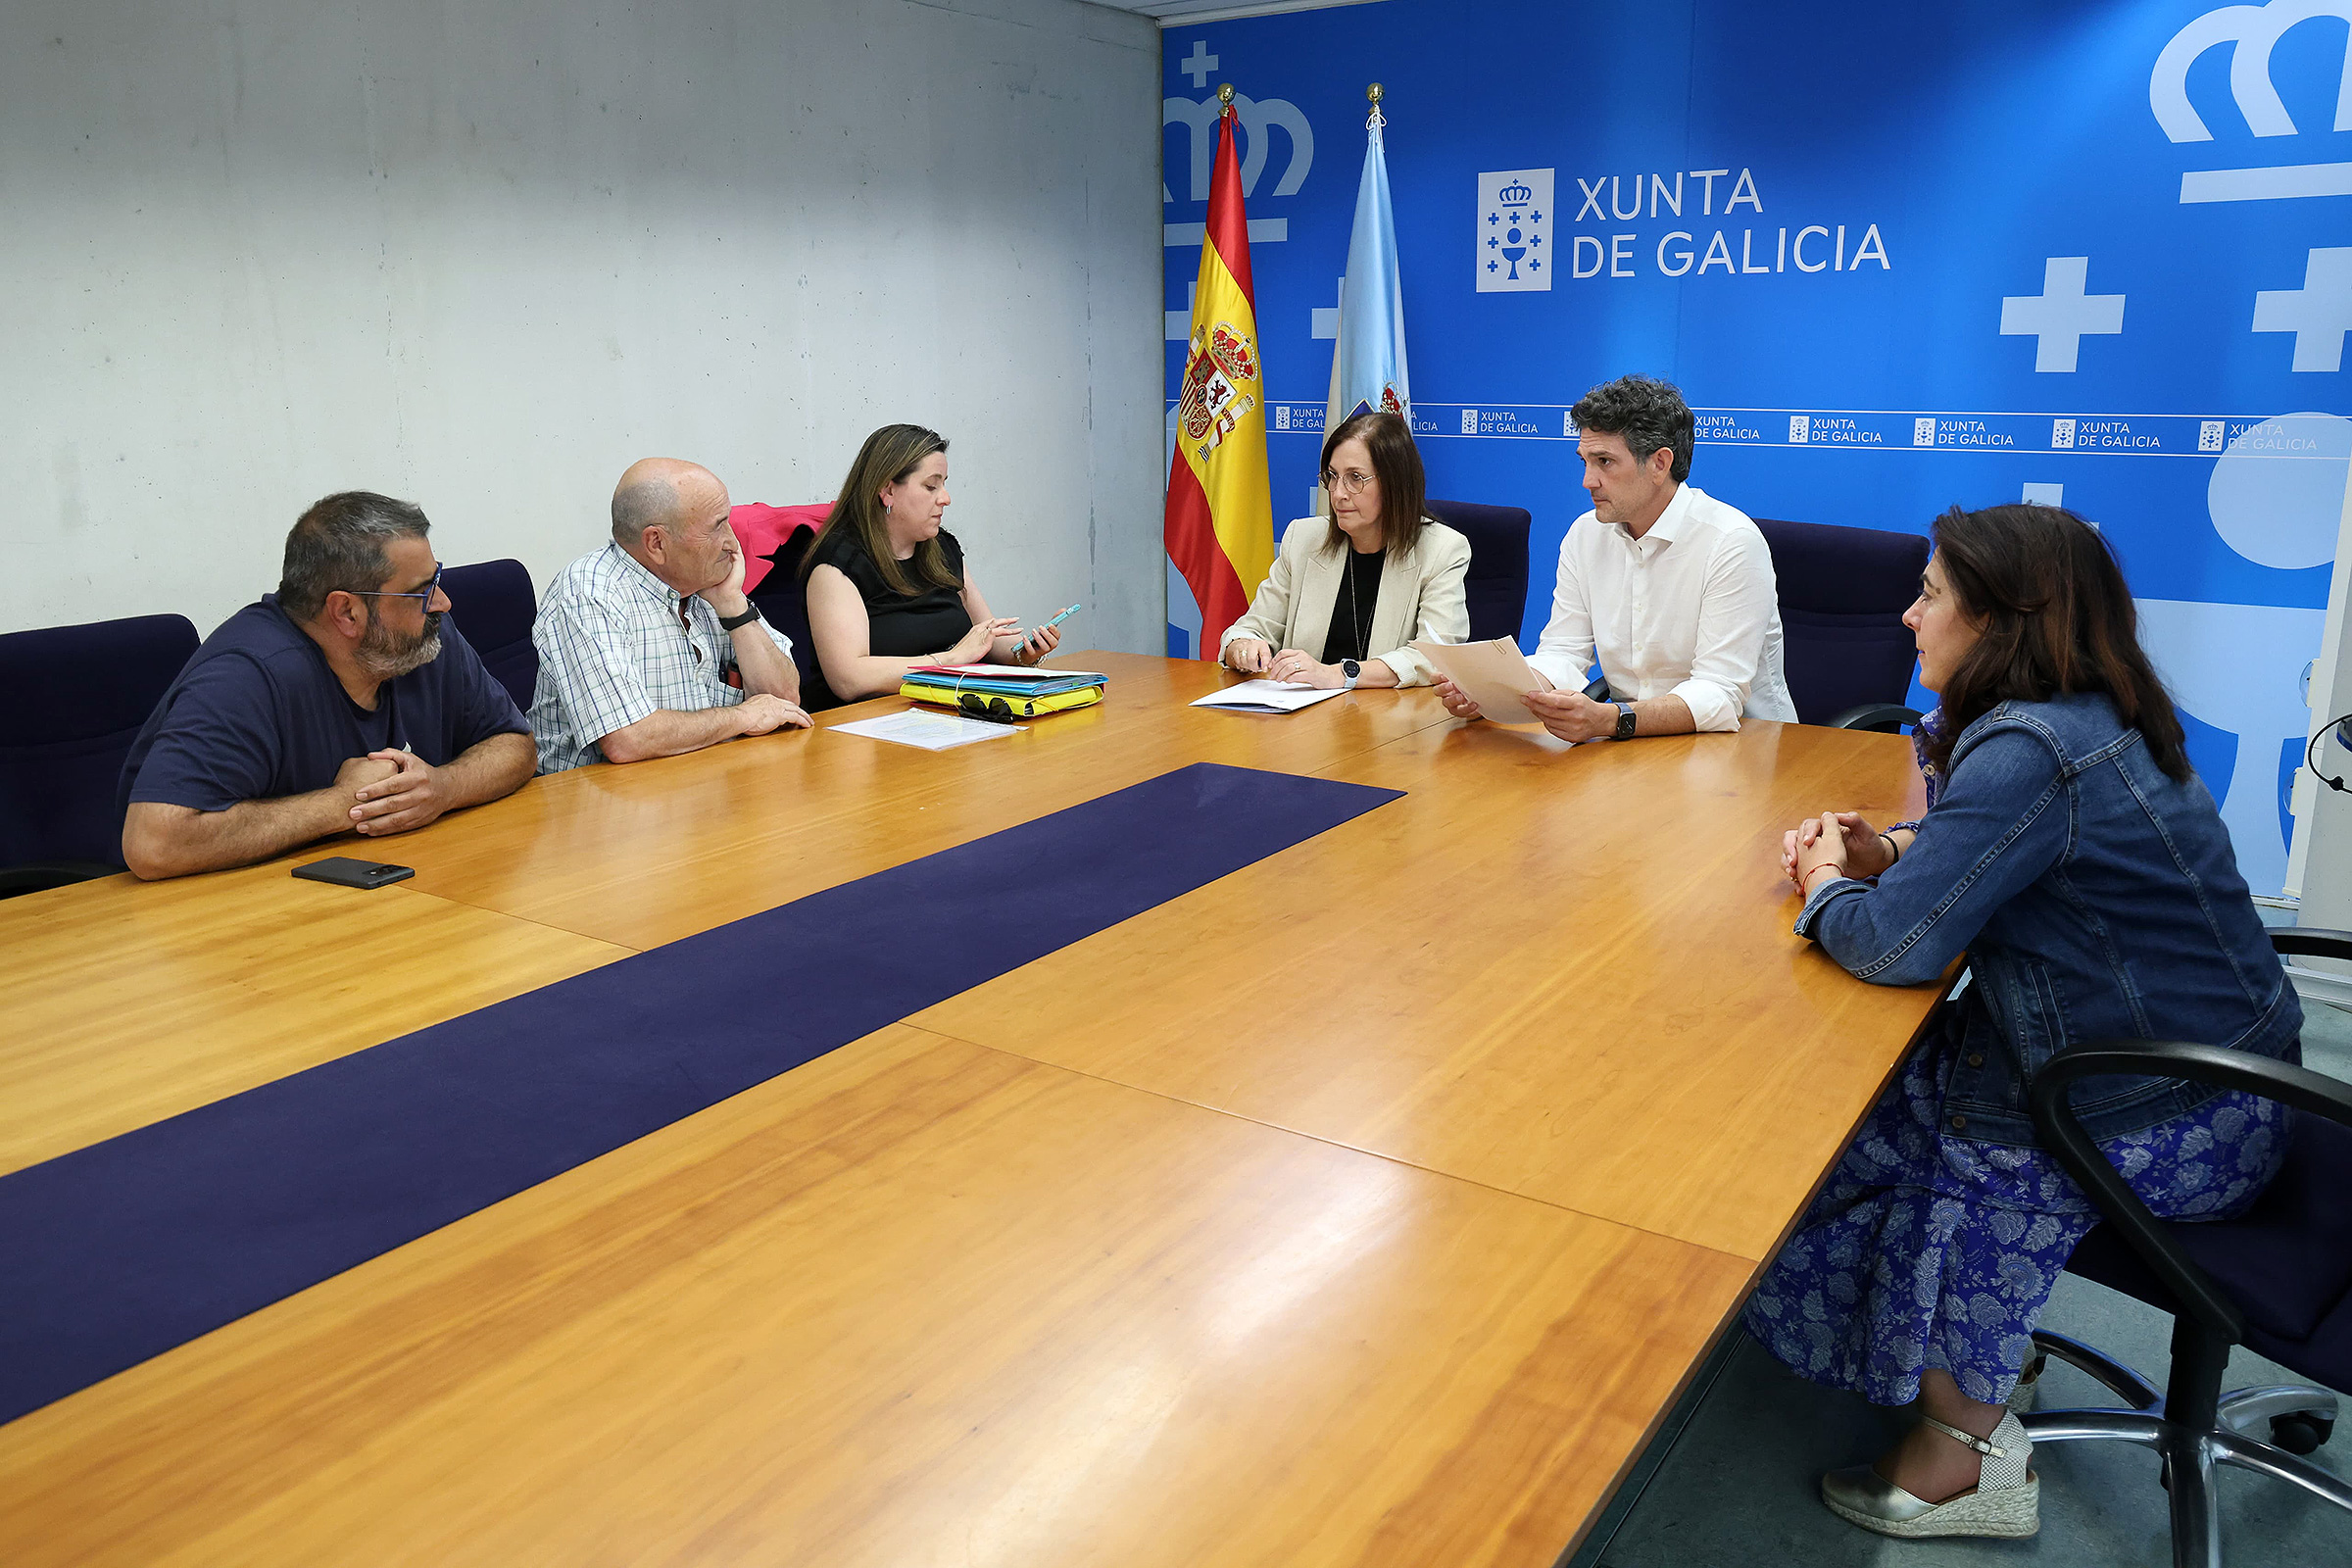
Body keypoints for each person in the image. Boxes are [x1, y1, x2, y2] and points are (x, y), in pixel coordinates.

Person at [1751, 504, 2299, 1541]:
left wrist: (1825, 882)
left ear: (2000, 621)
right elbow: (2014, 846)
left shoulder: (2033, 745)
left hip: (2183, 1113)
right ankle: (1977, 1355)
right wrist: (1896, 850)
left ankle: (1964, 1458)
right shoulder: (2087, 708)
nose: (1909, 616)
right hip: (2223, 1074)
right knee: (1876, 1106)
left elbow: (1892, 950)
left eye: (1929, 596)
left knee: (1949, 1144)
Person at [118, 491, 536, 879]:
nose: (442, 602)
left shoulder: (424, 638)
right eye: (420, 591)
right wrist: (345, 804)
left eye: (435, 579)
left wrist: (443, 788)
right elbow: (154, 843)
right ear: (347, 612)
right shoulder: (246, 675)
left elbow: (516, 745)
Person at [1434, 373, 1795, 740]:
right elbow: (1563, 653)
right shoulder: (1585, 534)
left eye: (1604, 461)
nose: (1587, 481)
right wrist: (1492, 694)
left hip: (1748, 743)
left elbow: (1718, 693)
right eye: (1585, 461)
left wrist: (1610, 719)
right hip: (1631, 738)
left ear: (1659, 464)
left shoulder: (1731, 542)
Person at [531, 458, 811, 772]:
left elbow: (783, 702)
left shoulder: (706, 585)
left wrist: (734, 606)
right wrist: (743, 716)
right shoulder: (589, 591)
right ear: (656, 543)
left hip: (701, 781)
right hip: (596, 796)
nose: (732, 543)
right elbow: (628, 738)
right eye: (717, 527)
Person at [799, 424, 1060, 709]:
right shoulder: (837, 565)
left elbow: (985, 636)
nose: (945, 498)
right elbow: (849, 680)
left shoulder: (942, 548)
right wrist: (950, 660)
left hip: (943, 707)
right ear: (887, 491)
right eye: (931, 486)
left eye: (944, 484)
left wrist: (1025, 651)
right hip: (865, 720)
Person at [1218, 411, 1470, 689]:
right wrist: (1242, 646)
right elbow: (1253, 627)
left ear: (1395, 483)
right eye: (1333, 476)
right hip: (1302, 709)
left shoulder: (1442, 550)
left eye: (1355, 478)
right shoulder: (1303, 539)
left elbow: (1435, 656)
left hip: (1389, 711)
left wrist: (1339, 674)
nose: (1338, 493)